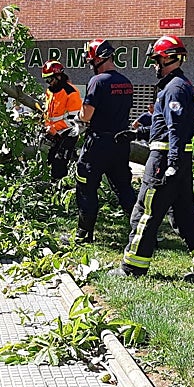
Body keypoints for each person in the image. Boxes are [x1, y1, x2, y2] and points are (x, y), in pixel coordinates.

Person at [116, 35, 194, 281]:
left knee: (145, 212)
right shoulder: (180, 86)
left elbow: (175, 130)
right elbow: (170, 127)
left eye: (156, 60)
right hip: (177, 160)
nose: (154, 65)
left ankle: (132, 267)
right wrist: (137, 133)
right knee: (185, 215)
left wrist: (172, 163)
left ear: (167, 59)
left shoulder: (174, 88)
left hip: (164, 162)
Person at [71, 39, 137, 242]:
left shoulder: (97, 81)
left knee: (86, 184)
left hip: (99, 143)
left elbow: (87, 115)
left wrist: (78, 117)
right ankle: (144, 232)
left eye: (91, 61)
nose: (91, 65)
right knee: (124, 188)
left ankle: (84, 233)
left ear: (98, 58)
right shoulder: (126, 82)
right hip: (121, 142)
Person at [41, 60, 82, 181]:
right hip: (54, 132)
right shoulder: (50, 91)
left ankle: (61, 186)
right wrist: (46, 125)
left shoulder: (71, 92)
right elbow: (48, 113)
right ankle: (52, 185)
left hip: (68, 133)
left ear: (58, 76)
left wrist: (54, 128)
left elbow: (74, 119)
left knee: (59, 162)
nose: (48, 83)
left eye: (50, 79)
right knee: (49, 160)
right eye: (46, 80)